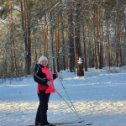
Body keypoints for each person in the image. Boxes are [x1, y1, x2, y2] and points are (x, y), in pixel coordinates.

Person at [33, 56, 57, 126]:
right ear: (40, 61)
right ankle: (43, 122)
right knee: (44, 106)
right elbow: (36, 77)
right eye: (43, 61)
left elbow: (49, 77)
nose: (44, 62)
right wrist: (45, 81)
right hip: (42, 90)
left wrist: (55, 75)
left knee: (42, 106)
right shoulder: (38, 67)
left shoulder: (45, 68)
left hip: (47, 90)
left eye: (46, 61)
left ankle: (38, 122)